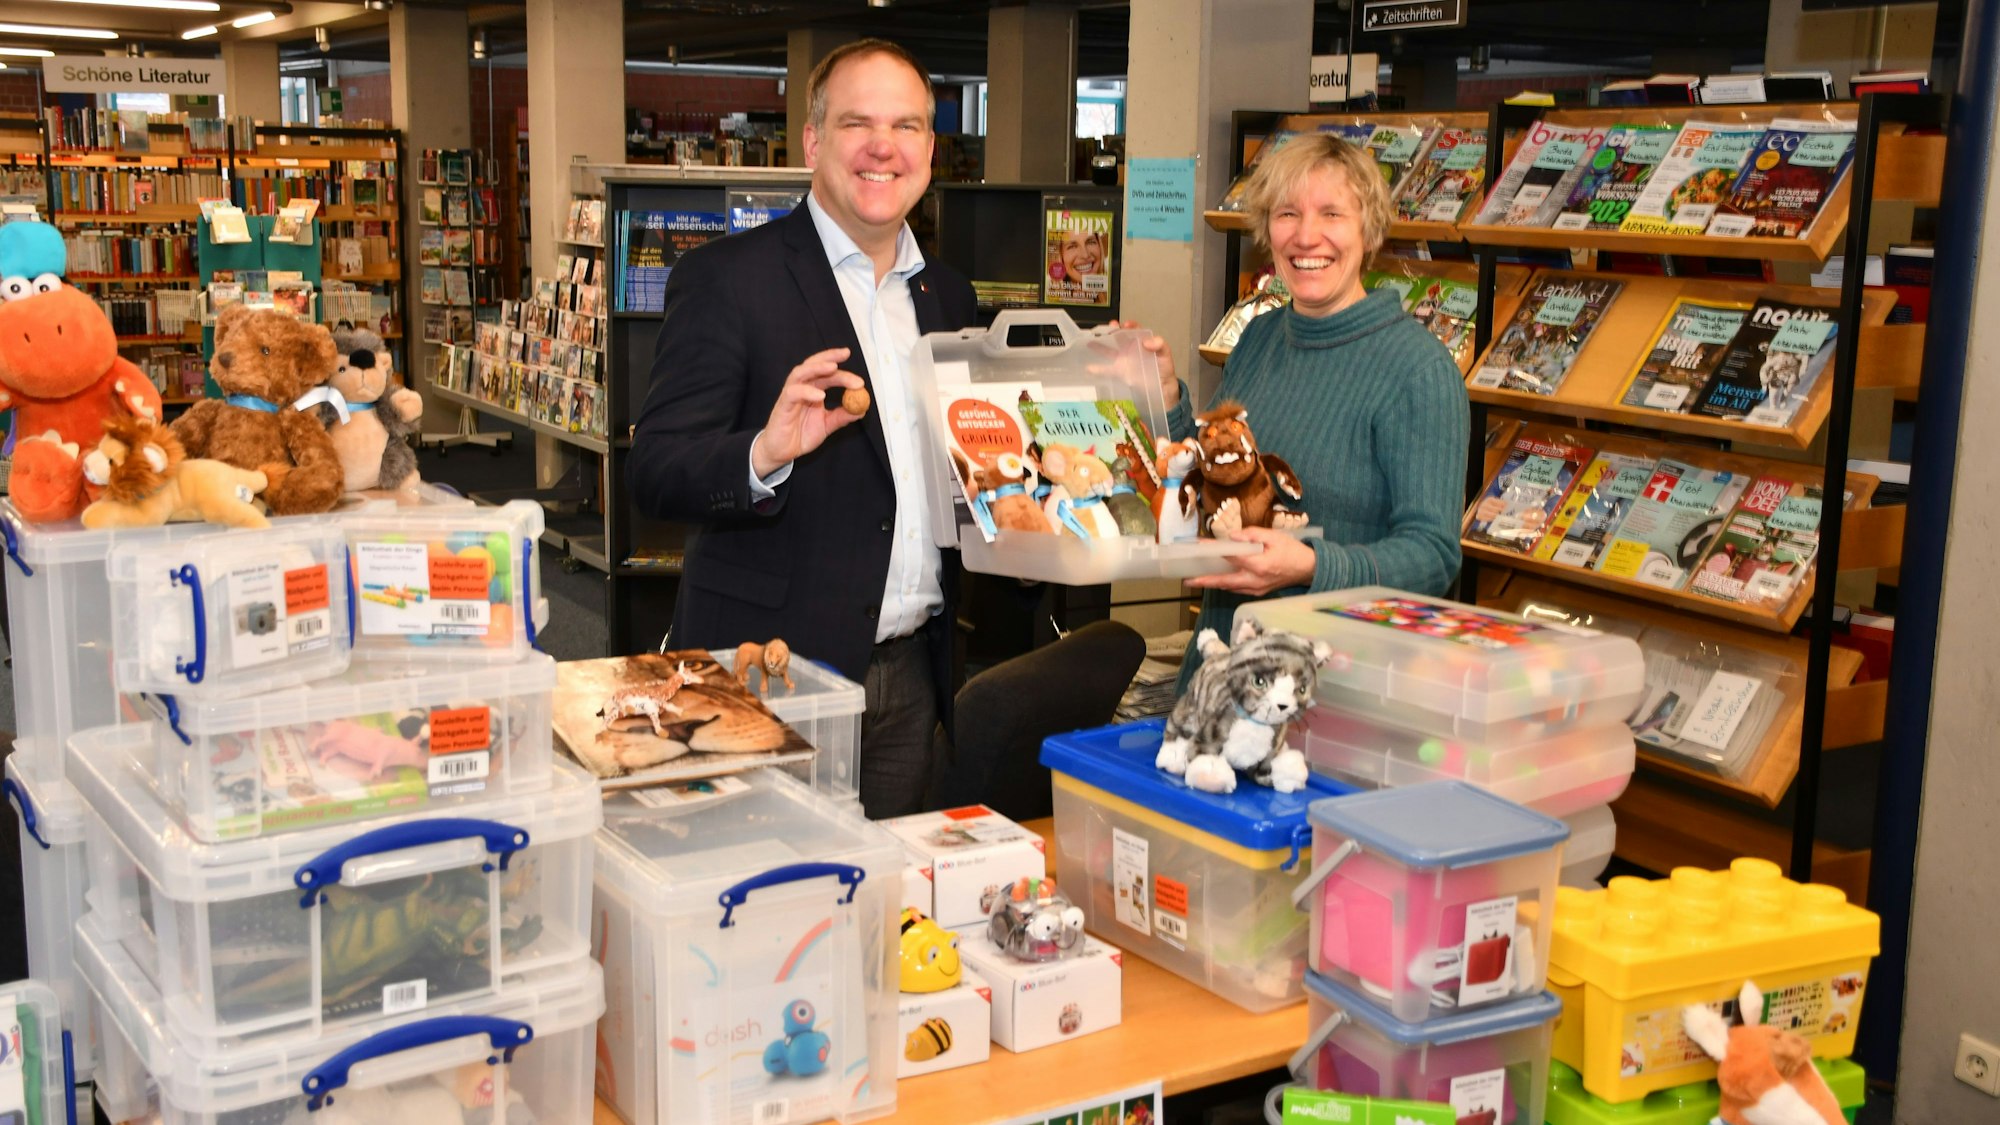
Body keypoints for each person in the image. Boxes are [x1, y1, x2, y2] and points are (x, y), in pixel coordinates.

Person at [626, 39, 976, 819]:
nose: (884, 146)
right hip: (768, 676)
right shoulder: (727, 279)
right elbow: (654, 469)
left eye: (908, 125)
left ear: (928, 149)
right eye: (858, 123)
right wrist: (763, 452)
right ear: (814, 141)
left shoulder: (950, 298)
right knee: (756, 908)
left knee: (890, 921)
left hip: (912, 680)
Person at [1138, 132, 1468, 682]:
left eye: (1332, 213)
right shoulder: (1261, 338)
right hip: (1222, 675)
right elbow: (1211, 481)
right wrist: (1169, 395)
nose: (1306, 235)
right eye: (1287, 213)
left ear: (1368, 229)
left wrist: (1313, 567)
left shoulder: (1418, 371)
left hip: (1334, 693)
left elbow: (1434, 556)